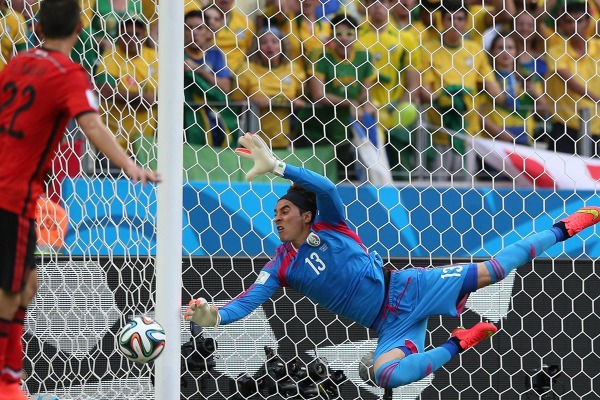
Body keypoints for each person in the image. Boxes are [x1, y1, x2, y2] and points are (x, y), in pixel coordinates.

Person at [185, 132, 600, 390]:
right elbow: (247, 301)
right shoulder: (280, 265)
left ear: (306, 216)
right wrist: (214, 316)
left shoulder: (332, 224)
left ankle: (566, 226)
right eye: (275, 214)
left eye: (284, 211)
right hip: (390, 324)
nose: (277, 218)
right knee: (386, 375)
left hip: (408, 288)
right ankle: (459, 341)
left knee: (492, 270)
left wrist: (279, 166)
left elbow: (326, 186)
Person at [0, 1, 160, 399]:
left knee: (28, 284)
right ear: (80, 27)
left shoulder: (18, 62)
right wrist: (130, 165)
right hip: (11, 193)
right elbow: (92, 125)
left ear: (37, 27)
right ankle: (4, 379)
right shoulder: (69, 73)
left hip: (17, 190)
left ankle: (10, 375)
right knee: (10, 290)